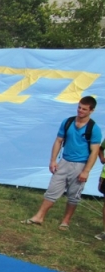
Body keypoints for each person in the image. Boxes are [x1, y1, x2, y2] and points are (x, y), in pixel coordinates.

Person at [23, 96, 101, 230]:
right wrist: (53, 160)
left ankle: (65, 221)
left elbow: (94, 151)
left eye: (84, 109)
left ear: (91, 111)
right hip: (64, 161)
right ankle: (39, 216)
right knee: (52, 190)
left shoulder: (94, 129)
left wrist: (86, 171)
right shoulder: (68, 122)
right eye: (79, 107)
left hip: (80, 164)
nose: (80, 111)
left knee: (73, 195)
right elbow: (58, 141)